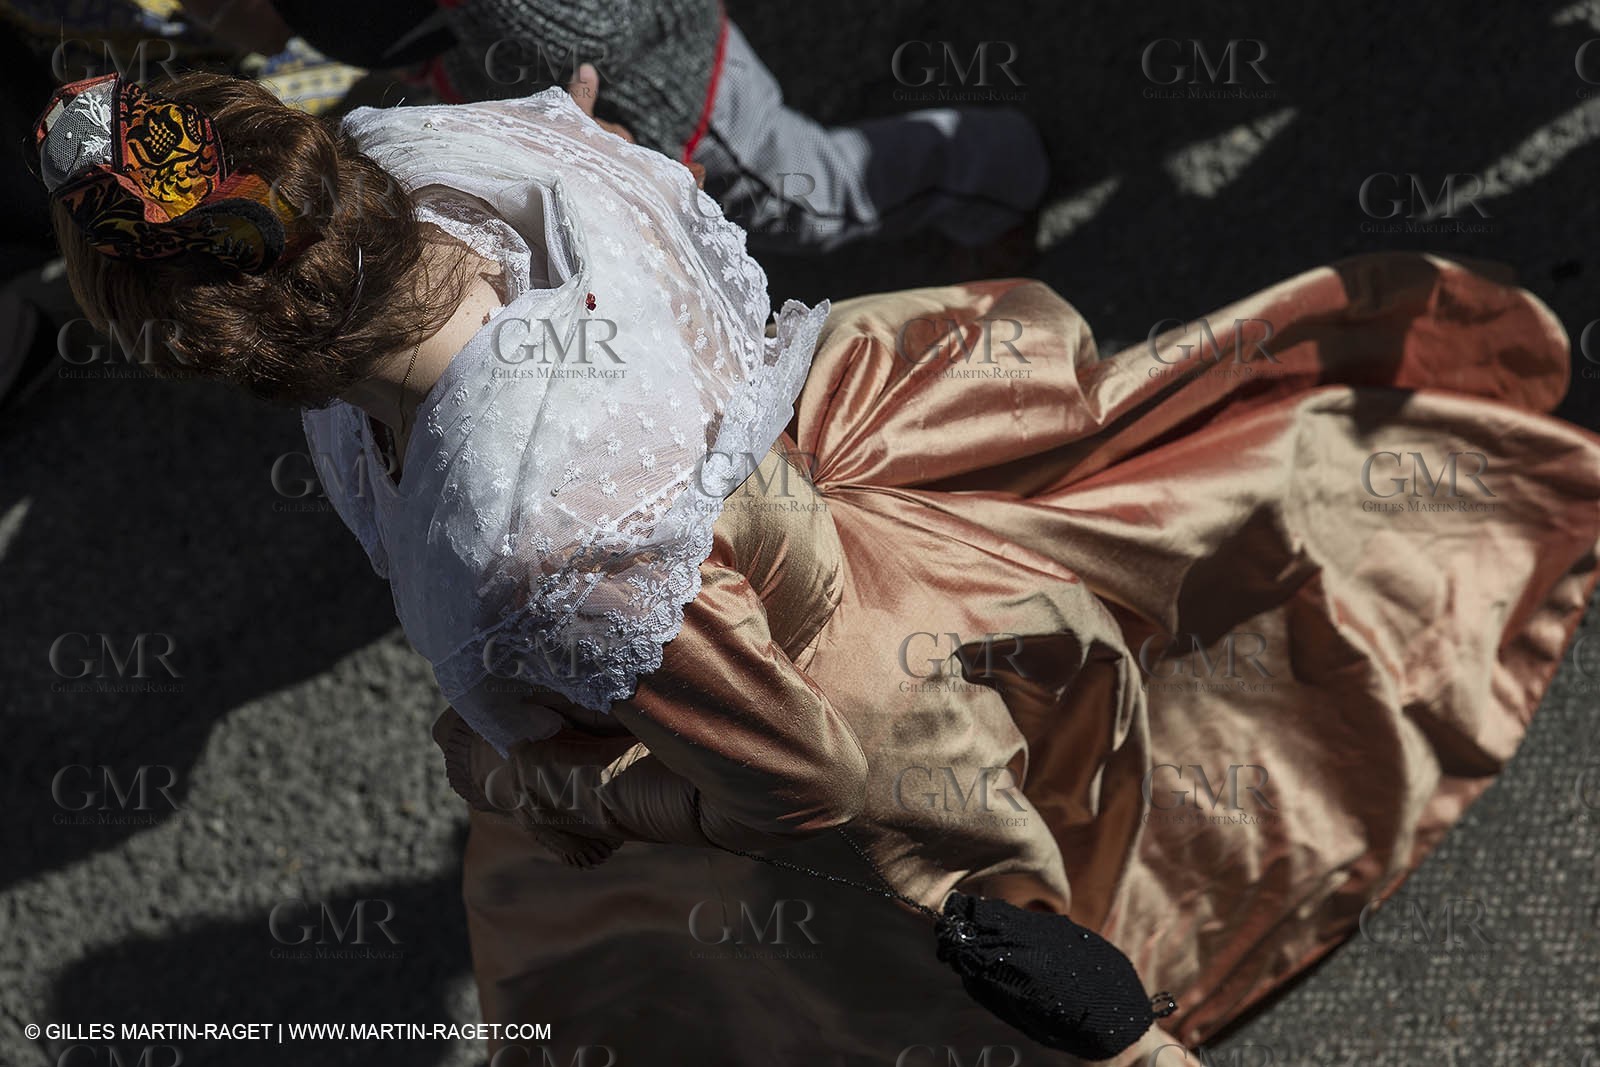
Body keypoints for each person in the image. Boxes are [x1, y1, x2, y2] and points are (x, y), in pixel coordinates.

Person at [33, 69, 1600, 1065]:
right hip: (875, 446)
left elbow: (801, 790)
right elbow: (593, 144)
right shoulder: (436, 146)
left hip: (806, 680)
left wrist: (544, 785)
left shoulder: (524, 538)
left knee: (903, 928)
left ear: (221, 351)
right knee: (1139, 594)